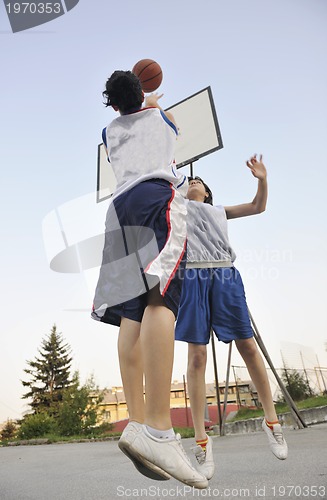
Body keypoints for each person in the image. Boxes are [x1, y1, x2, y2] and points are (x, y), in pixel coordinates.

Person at [91, 70, 207, 489]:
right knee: (162, 300)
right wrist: (153, 97)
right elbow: (162, 112)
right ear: (141, 94)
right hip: (154, 199)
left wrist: (139, 95)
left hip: (118, 212)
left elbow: (132, 109)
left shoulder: (110, 131)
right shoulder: (161, 119)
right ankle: (159, 429)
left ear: (114, 104)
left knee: (131, 313)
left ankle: (137, 422)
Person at [175, 155, 288, 480]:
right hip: (193, 277)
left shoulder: (218, 211)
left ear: (208, 194)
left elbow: (257, 206)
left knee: (248, 346)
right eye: (190, 182)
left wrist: (262, 179)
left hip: (223, 275)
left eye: (200, 183)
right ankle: (201, 441)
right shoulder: (178, 210)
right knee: (196, 357)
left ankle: (272, 422)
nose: (194, 183)